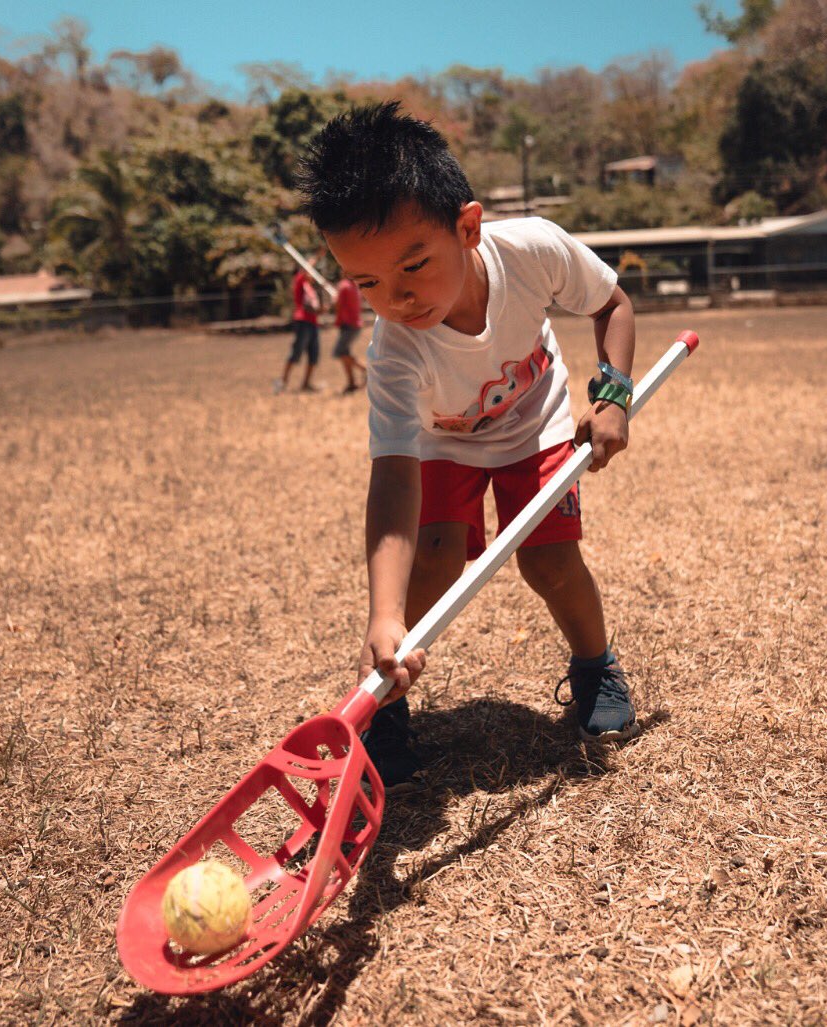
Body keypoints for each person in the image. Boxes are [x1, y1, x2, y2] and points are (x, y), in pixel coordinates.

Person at [297, 102, 638, 791]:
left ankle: (595, 667)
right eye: (367, 284)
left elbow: (612, 305)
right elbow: (392, 478)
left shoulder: (533, 249)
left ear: (468, 226)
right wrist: (382, 615)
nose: (396, 298)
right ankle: (384, 704)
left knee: (550, 563)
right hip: (442, 442)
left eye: (413, 265)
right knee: (431, 566)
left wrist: (613, 395)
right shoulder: (394, 352)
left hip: (533, 421)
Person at [274, 266, 321, 393]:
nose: (312, 275)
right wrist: (318, 255)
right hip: (303, 322)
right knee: (296, 352)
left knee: (314, 355)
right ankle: (282, 381)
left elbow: (315, 307)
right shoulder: (301, 282)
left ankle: (306, 384)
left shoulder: (311, 289)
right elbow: (305, 267)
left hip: (313, 323)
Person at [333, 275, 366, 393]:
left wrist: (334, 299)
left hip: (348, 324)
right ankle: (351, 382)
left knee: (339, 352)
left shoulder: (343, 286)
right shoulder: (355, 286)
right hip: (355, 324)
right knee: (345, 353)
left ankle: (366, 370)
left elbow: (337, 304)